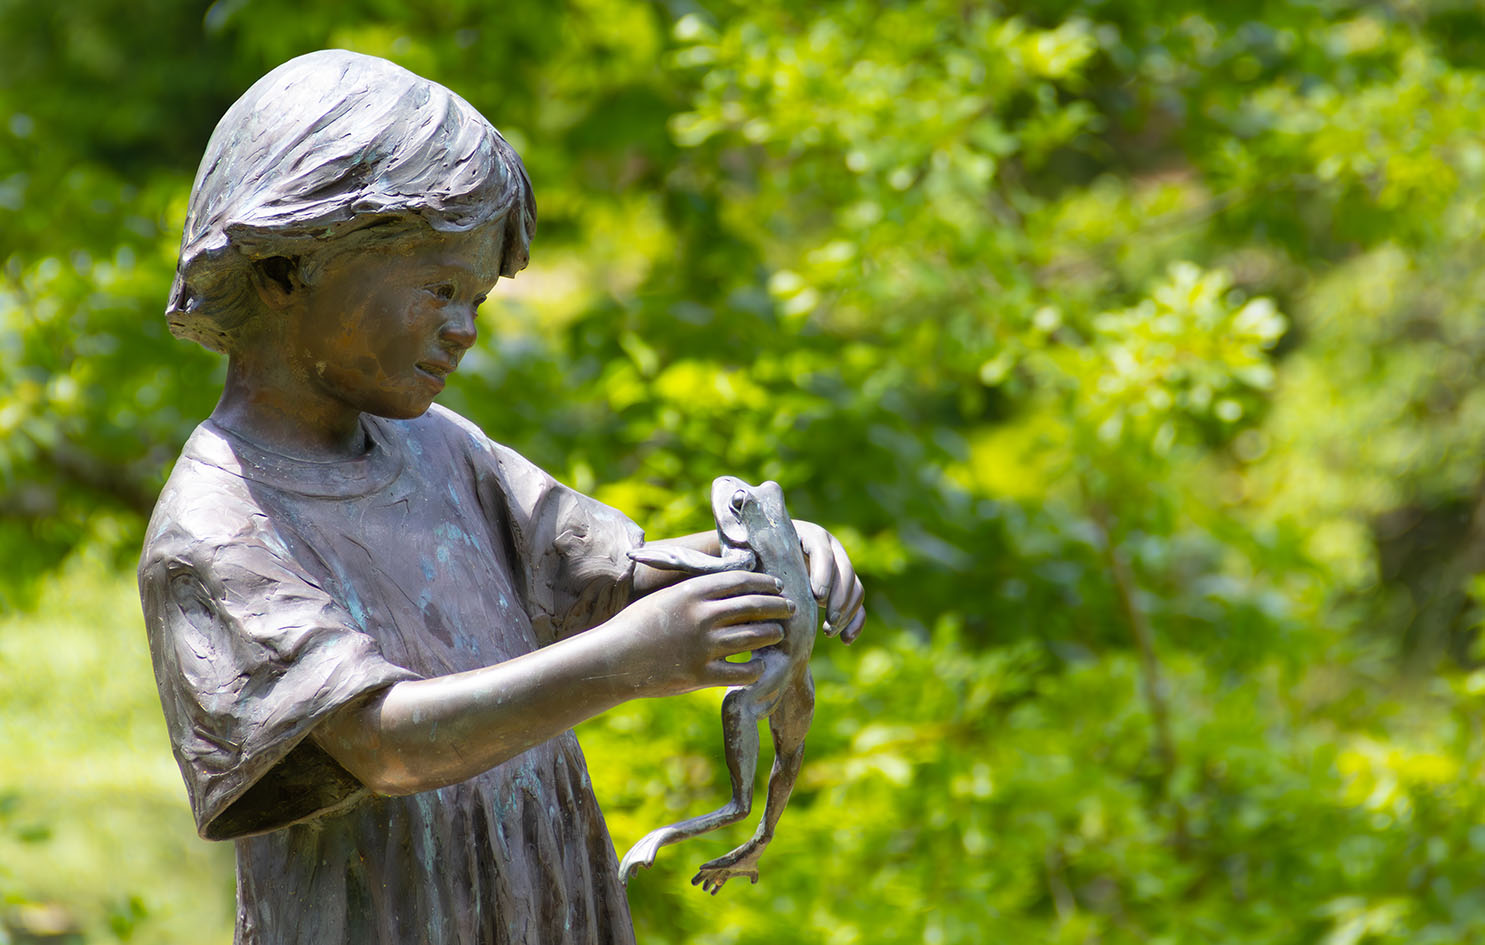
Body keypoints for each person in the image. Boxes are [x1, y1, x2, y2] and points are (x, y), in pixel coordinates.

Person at [137, 49, 864, 945]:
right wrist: (624, 663)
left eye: (476, 297)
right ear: (288, 265)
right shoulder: (215, 525)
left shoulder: (443, 449)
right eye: (439, 288)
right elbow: (380, 742)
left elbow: (617, 578)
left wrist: (763, 560)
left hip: (542, 894)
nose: (465, 329)